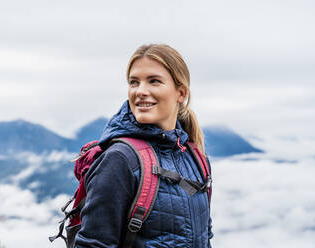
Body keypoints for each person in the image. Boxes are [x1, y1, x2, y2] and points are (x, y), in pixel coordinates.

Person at [74, 44, 213, 248]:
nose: (140, 91)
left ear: (181, 93)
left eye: (154, 81)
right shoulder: (120, 160)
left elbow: (204, 238)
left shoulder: (196, 158)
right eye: (134, 82)